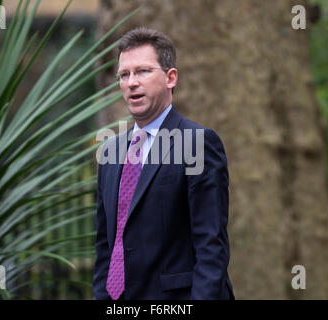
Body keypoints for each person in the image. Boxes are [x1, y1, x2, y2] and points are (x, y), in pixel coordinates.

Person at [93, 27, 234, 300]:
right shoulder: (110, 151)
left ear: (171, 78)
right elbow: (104, 246)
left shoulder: (197, 143)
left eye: (143, 71)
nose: (132, 82)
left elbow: (211, 246)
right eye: (125, 74)